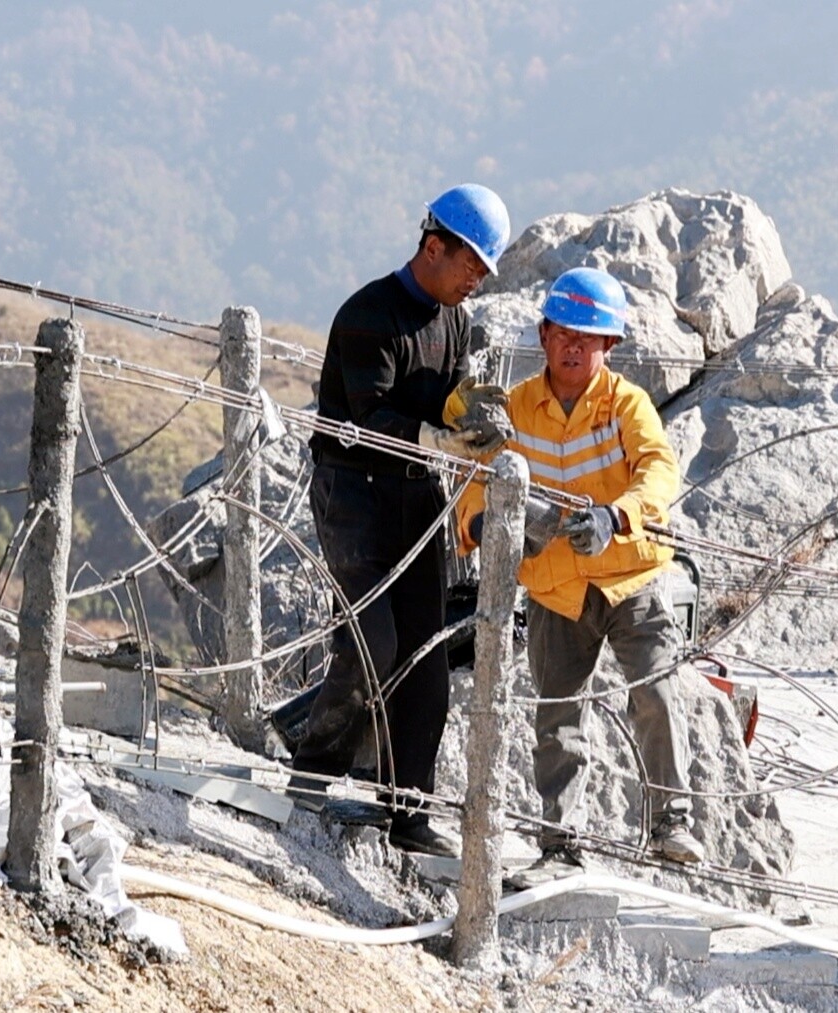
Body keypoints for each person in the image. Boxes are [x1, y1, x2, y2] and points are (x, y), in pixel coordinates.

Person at [457, 266, 704, 882]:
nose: (573, 347)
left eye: (587, 338)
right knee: (558, 718)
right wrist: (481, 525)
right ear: (543, 334)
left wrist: (616, 516)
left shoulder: (627, 405)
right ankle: (560, 846)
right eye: (564, 333)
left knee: (656, 690)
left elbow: (658, 471)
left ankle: (671, 824)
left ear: (608, 348)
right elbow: (476, 481)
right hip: (555, 587)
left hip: (630, 577)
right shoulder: (515, 408)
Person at [289, 184, 512, 858]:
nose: (475, 281)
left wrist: (468, 410)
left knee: (424, 654)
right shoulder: (369, 315)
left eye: (482, 271)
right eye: (469, 264)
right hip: (352, 495)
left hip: (415, 496)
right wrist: (442, 437)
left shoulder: (456, 323)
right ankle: (312, 773)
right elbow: (366, 420)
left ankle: (407, 809)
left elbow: (443, 395)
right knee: (372, 641)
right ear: (432, 245)